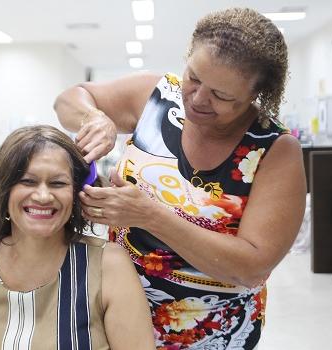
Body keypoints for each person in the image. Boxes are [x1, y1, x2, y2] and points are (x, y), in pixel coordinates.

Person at [54, 8, 306, 349]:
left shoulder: (275, 150)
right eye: (194, 77)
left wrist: (151, 216)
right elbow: (69, 99)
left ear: (255, 95)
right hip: (118, 318)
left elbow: (251, 268)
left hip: (212, 334)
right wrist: (94, 117)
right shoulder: (158, 98)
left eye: (222, 95)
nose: (199, 99)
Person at [0, 125, 155, 349]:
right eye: (28, 181)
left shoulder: (107, 265)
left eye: (58, 183)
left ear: (75, 194)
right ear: (3, 190)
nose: (43, 196)